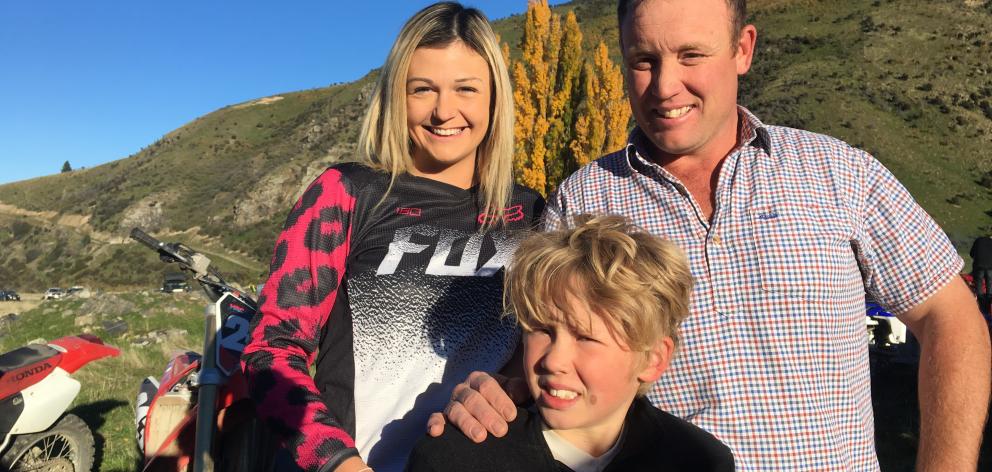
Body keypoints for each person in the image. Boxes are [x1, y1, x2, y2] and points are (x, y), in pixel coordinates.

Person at [428, 0, 992, 470]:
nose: (665, 85)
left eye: (690, 55)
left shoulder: (838, 174)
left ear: (743, 48)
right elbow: (557, 350)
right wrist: (497, 392)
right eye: (643, 60)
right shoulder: (583, 200)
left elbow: (950, 317)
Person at [240, 3, 544, 472]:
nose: (445, 111)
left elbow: (542, 352)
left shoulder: (532, 213)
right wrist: (340, 464)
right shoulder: (347, 192)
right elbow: (271, 349)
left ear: (494, 100)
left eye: (466, 89)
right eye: (423, 89)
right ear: (397, 96)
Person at [407, 215, 734, 471]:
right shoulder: (455, 457)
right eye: (541, 330)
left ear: (652, 359)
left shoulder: (699, 460)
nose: (553, 360)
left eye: (586, 337)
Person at [970, 235, 992, 310]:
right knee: (990, 283)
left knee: (979, 283)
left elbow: (971, 254)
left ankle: (981, 305)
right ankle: (989, 304)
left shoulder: (978, 240)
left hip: (979, 266)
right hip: (990, 267)